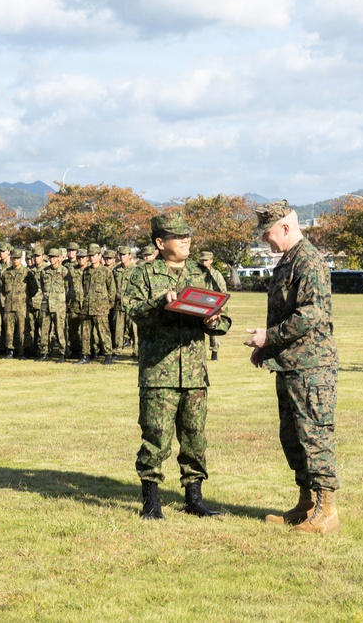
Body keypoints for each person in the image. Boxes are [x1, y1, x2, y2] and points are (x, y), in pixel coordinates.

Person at [125, 213, 231, 520]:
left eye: (187, 236)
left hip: (195, 373)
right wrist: (160, 301)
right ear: (160, 243)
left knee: (194, 437)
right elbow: (132, 309)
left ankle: (194, 498)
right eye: (178, 236)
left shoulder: (203, 273)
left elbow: (223, 319)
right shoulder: (144, 273)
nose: (186, 241)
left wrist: (214, 321)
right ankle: (151, 501)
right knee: (155, 437)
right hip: (160, 371)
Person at [244, 200, 340, 535]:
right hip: (290, 365)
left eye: (267, 233)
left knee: (314, 435)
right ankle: (306, 504)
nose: (264, 240)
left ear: (285, 227)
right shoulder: (288, 260)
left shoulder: (308, 260)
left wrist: (268, 336)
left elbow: (310, 314)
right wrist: (268, 347)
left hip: (311, 367)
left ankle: (326, 511)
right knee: (293, 437)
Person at [200, 251, 227, 361]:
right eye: (201, 260)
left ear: (211, 261)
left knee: (212, 328)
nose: (203, 262)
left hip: (212, 303)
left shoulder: (216, 275)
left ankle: (214, 353)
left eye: (205, 260)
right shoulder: (195, 273)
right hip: (199, 303)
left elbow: (223, 290)